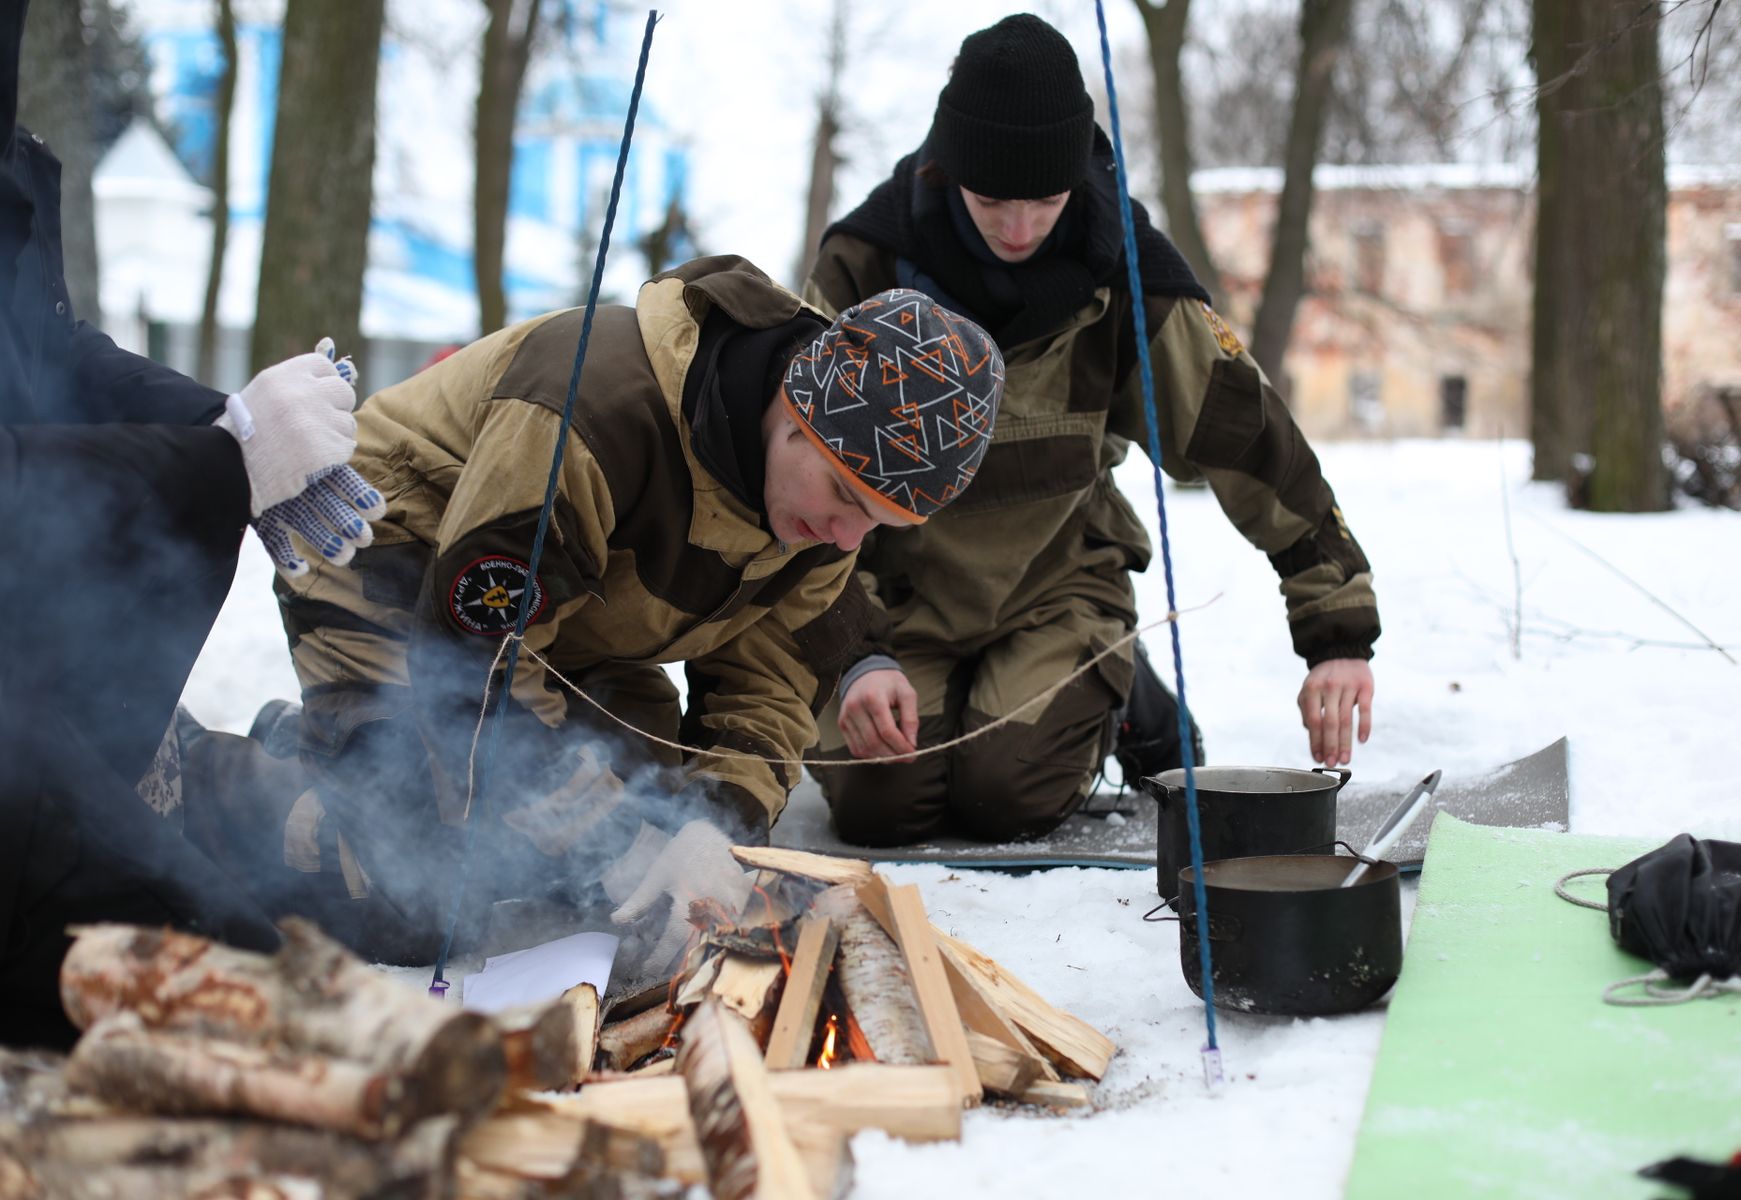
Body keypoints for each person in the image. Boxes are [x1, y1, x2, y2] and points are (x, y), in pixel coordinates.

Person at [192, 257, 1001, 975]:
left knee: (588, 862)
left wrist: (711, 834)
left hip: (557, 628)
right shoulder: (590, 410)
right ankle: (189, 772)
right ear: (793, 412)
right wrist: (626, 842)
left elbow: (769, 687)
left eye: (879, 525)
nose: (846, 539)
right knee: (416, 886)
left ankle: (319, 743)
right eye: (846, 500)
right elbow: (476, 668)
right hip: (391, 558)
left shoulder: (828, 497)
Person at [802, 13, 1381, 847]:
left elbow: (1248, 439)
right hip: (896, 597)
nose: (1019, 228)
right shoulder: (863, 264)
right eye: (993, 199)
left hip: (1055, 586)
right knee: (880, 807)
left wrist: (1337, 631)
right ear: (948, 168)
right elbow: (792, 479)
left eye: (1044, 198)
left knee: (1008, 794)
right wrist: (852, 649)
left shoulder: (1131, 275)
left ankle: (1122, 695)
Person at [0, 0, 386, 1048]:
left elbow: (45, 349)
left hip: (45, 706)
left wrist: (214, 421)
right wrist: (225, 466)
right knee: (239, 1000)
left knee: (336, 889)